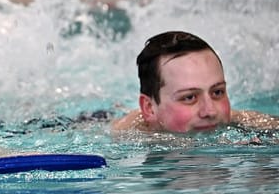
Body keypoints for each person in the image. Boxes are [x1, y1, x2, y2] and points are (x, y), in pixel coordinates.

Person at [112, 31, 279, 134]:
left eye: (217, 92)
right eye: (190, 97)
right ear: (149, 108)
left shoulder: (243, 122)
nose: (210, 111)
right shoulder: (122, 139)